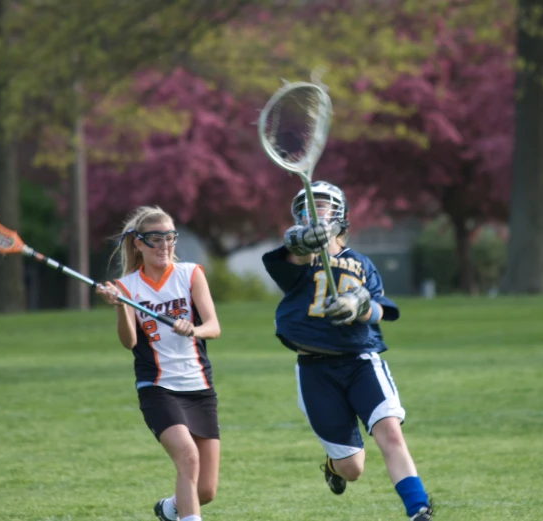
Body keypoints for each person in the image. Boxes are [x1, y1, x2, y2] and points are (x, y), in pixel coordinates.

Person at [262, 181, 434, 521]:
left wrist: (359, 305)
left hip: (361, 360)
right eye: (308, 206)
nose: (316, 210)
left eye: (324, 204)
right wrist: (302, 243)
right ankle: (333, 465)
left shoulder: (361, 263)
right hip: (316, 369)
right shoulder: (299, 260)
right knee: (352, 468)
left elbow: (382, 309)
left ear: (340, 213)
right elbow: (290, 254)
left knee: (389, 432)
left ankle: (418, 510)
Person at [96, 206, 221, 521]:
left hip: (199, 387)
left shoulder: (190, 274)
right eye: (155, 238)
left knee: (205, 491)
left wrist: (192, 328)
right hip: (158, 387)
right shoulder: (126, 288)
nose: (165, 244)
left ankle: (169, 510)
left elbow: (213, 327)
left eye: (170, 237)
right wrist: (120, 307)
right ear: (138, 243)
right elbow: (129, 343)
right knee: (188, 459)